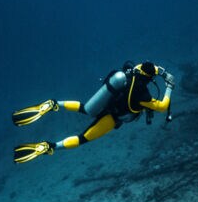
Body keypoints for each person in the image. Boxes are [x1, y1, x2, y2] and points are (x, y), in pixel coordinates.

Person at [11, 61, 175, 163]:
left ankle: (54, 104)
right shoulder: (143, 95)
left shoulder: (134, 71)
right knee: (82, 138)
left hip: (108, 100)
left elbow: (148, 67)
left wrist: (162, 72)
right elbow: (162, 107)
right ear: (149, 78)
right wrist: (169, 87)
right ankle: (49, 147)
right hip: (113, 117)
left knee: (85, 108)